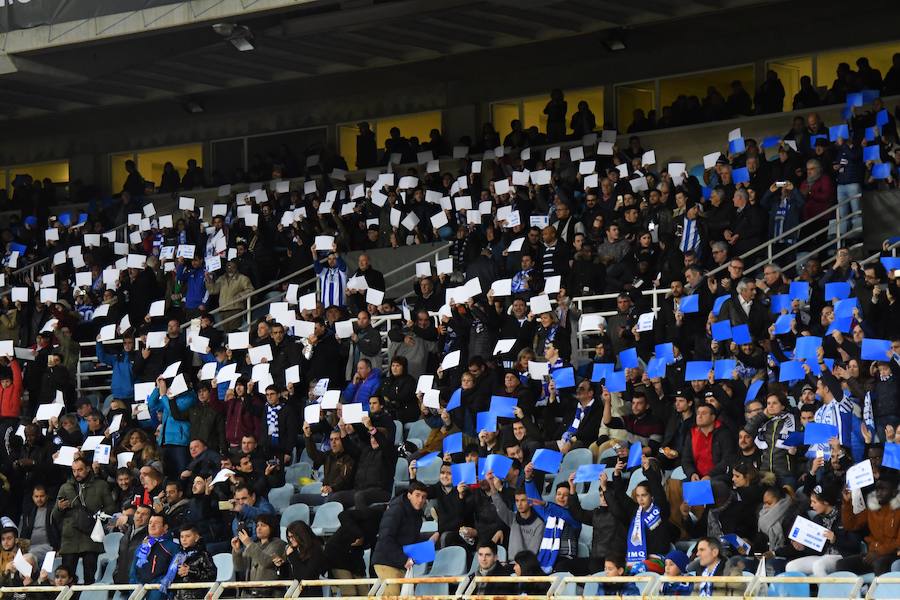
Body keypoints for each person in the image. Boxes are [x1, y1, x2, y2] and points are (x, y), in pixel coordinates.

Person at [52, 457, 116, 585]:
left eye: (80, 470)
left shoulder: (101, 485)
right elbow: (54, 516)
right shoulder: (66, 487)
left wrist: (98, 517)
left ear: (88, 468)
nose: (77, 473)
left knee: (89, 579)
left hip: (91, 535)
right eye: (74, 470)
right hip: (70, 537)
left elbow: (111, 508)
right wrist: (59, 508)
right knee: (67, 579)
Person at [371, 480, 428, 595]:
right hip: (385, 561)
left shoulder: (417, 516)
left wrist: (427, 547)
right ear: (409, 495)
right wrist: (404, 559)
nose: (420, 500)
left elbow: (412, 541)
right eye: (417, 495)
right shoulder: (396, 510)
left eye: (423, 497)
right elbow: (385, 538)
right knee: (394, 594)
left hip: (400, 564)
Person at [835, 479, 900, 575]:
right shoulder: (872, 509)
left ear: (894, 492)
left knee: (879, 563)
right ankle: (858, 585)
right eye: (877, 489)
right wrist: (847, 502)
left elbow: (898, 542)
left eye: (883, 489)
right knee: (842, 565)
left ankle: (881, 585)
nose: (878, 493)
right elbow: (851, 526)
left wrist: (878, 552)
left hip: (893, 554)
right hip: (873, 554)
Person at [231, 514, 286, 595]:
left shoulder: (279, 544)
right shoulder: (255, 545)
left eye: (263, 525)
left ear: (272, 527)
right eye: (257, 526)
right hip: (250, 594)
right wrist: (237, 551)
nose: (259, 528)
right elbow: (239, 567)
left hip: (269, 594)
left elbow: (267, 562)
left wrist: (249, 544)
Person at [130, 513, 181, 600]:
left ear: (165, 527)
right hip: (139, 590)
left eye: (156, 523)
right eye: (150, 523)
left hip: (160, 591)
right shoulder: (143, 546)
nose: (152, 525)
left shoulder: (173, 546)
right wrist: (134, 586)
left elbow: (174, 569)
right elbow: (133, 571)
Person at [273, 521, 326, 593]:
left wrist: (292, 556)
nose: (290, 540)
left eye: (292, 537)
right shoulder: (293, 550)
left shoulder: (315, 550)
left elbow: (306, 576)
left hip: (310, 593)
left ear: (301, 535)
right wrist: (281, 565)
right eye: (289, 537)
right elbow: (288, 576)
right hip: (294, 592)